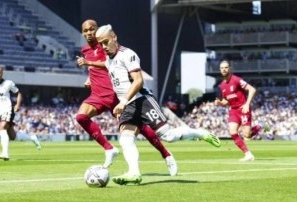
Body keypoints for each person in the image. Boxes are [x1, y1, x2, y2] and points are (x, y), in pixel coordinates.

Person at [95, 24, 221, 185]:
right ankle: (134, 173)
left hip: (142, 101)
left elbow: (139, 81)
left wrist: (123, 101)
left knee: (168, 136)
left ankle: (200, 133)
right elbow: (105, 65)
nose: (104, 47)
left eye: (106, 42)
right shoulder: (108, 60)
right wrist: (88, 63)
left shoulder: (128, 55)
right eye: (101, 44)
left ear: (114, 37)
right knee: (126, 140)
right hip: (127, 106)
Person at [75, 19, 177, 176]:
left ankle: (166, 154)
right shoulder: (85, 50)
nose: (89, 33)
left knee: (142, 128)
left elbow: (109, 63)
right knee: (81, 117)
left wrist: (89, 63)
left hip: (115, 94)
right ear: (82, 33)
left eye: (92, 29)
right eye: (86, 30)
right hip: (97, 94)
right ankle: (109, 149)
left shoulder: (105, 44)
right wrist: (89, 78)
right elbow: (97, 67)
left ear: (98, 29)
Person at [0, 65, 41, 161]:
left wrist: (17, 105)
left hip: (8, 109)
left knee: (2, 128)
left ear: (2, 73)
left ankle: (5, 153)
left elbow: (18, 93)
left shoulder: (8, 83)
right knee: (13, 136)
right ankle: (32, 138)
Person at [214, 60, 264, 161]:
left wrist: (247, 104)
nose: (224, 69)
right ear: (220, 70)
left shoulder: (236, 80)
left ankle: (260, 126)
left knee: (247, 135)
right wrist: (220, 103)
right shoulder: (222, 86)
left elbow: (252, 89)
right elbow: (226, 100)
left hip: (243, 109)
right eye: (222, 68)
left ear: (230, 68)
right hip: (233, 110)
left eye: (226, 67)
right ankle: (248, 154)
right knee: (232, 131)